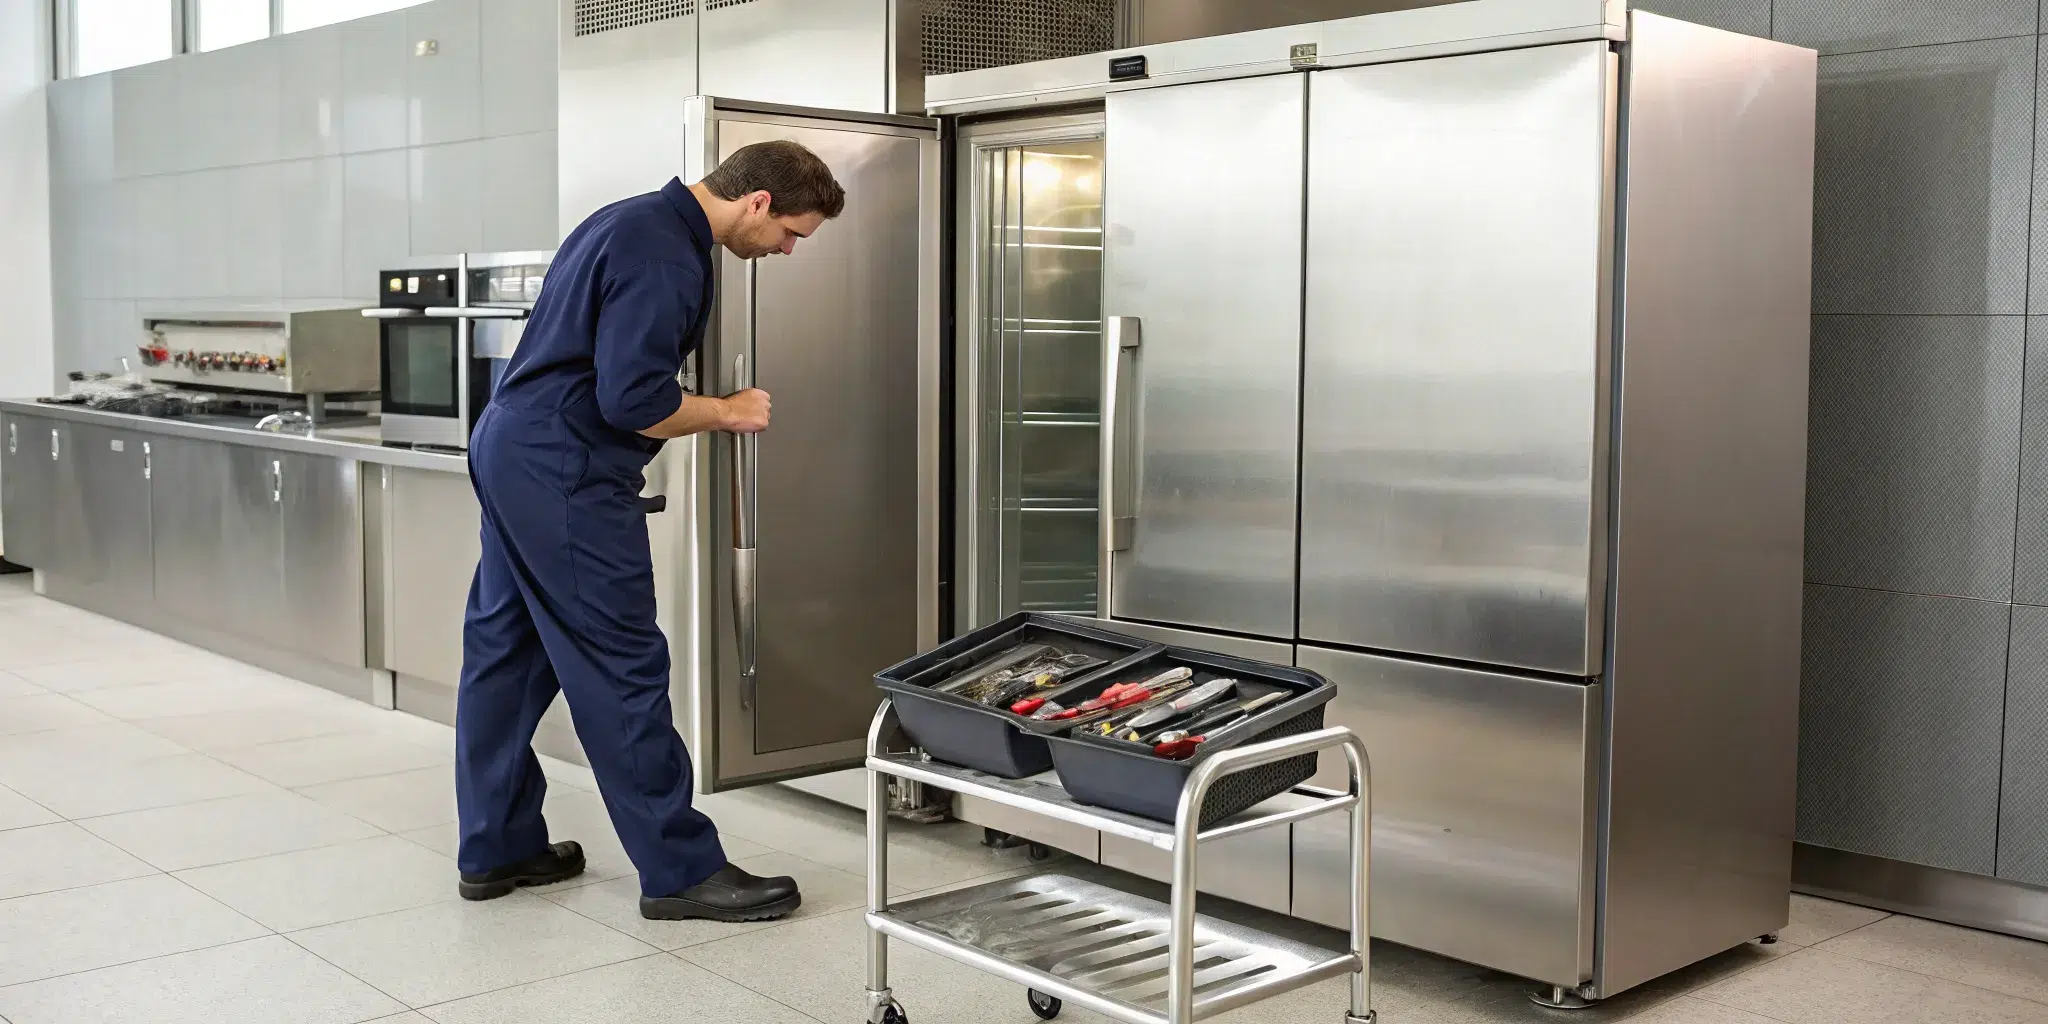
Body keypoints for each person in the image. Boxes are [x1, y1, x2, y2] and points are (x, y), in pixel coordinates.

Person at [451, 141, 846, 922]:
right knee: (623, 663)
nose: (788, 251)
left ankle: (496, 846)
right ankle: (680, 870)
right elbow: (632, 399)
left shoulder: (623, 220)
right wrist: (728, 410)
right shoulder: (667, 254)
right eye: (792, 233)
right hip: (563, 472)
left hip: (512, 448)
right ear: (757, 202)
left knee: (508, 653)